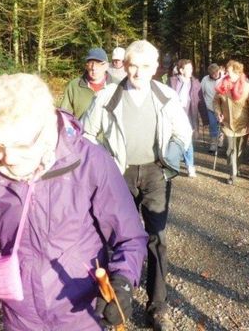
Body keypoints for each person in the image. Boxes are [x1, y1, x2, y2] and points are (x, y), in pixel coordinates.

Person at [0, 73, 147, 331]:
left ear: (45, 128)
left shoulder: (91, 163)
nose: (8, 158)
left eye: (20, 145)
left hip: (80, 312)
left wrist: (122, 281)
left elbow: (130, 237)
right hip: (19, 316)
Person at [82, 40, 192, 331]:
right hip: (119, 176)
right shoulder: (107, 97)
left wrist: (173, 153)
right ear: (125, 66)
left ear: (155, 68)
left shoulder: (167, 96)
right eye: (133, 65)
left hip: (157, 174)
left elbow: (184, 131)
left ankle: (158, 307)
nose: (138, 72)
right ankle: (115, 301)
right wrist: (102, 165)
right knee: (119, 239)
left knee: (157, 238)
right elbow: (87, 134)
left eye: (145, 66)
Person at [213, 60, 249, 185]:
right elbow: (216, 101)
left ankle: (237, 167)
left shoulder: (247, 86)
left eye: (230, 71)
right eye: (227, 71)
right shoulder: (222, 85)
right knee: (230, 150)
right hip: (227, 123)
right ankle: (232, 174)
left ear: (237, 72)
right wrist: (218, 112)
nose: (227, 73)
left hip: (243, 123)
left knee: (240, 150)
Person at [168, 59, 202, 177]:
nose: (191, 71)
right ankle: (172, 163)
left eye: (191, 68)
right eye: (188, 69)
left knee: (188, 141)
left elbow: (200, 102)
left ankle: (190, 166)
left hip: (188, 115)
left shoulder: (196, 83)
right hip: (174, 114)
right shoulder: (172, 81)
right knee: (172, 139)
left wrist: (205, 119)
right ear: (181, 70)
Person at [60, 47, 113, 119]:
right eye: (91, 63)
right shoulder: (74, 86)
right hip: (81, 129)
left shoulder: (117, 85)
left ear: (106, 66)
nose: (94, 68)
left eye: (98, 63)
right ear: (86, 66)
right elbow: (65, 116)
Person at [201, 63, 224, 153]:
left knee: (221, 124)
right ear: (210, 74)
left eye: (216, 72)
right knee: (213, 125)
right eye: (213, 74)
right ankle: (213, 143)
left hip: (222, 107)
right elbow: (201, 92)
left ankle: (221, 137)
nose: (215, 75)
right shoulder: (205, 80)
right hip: (210, 107)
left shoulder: (224, 78)